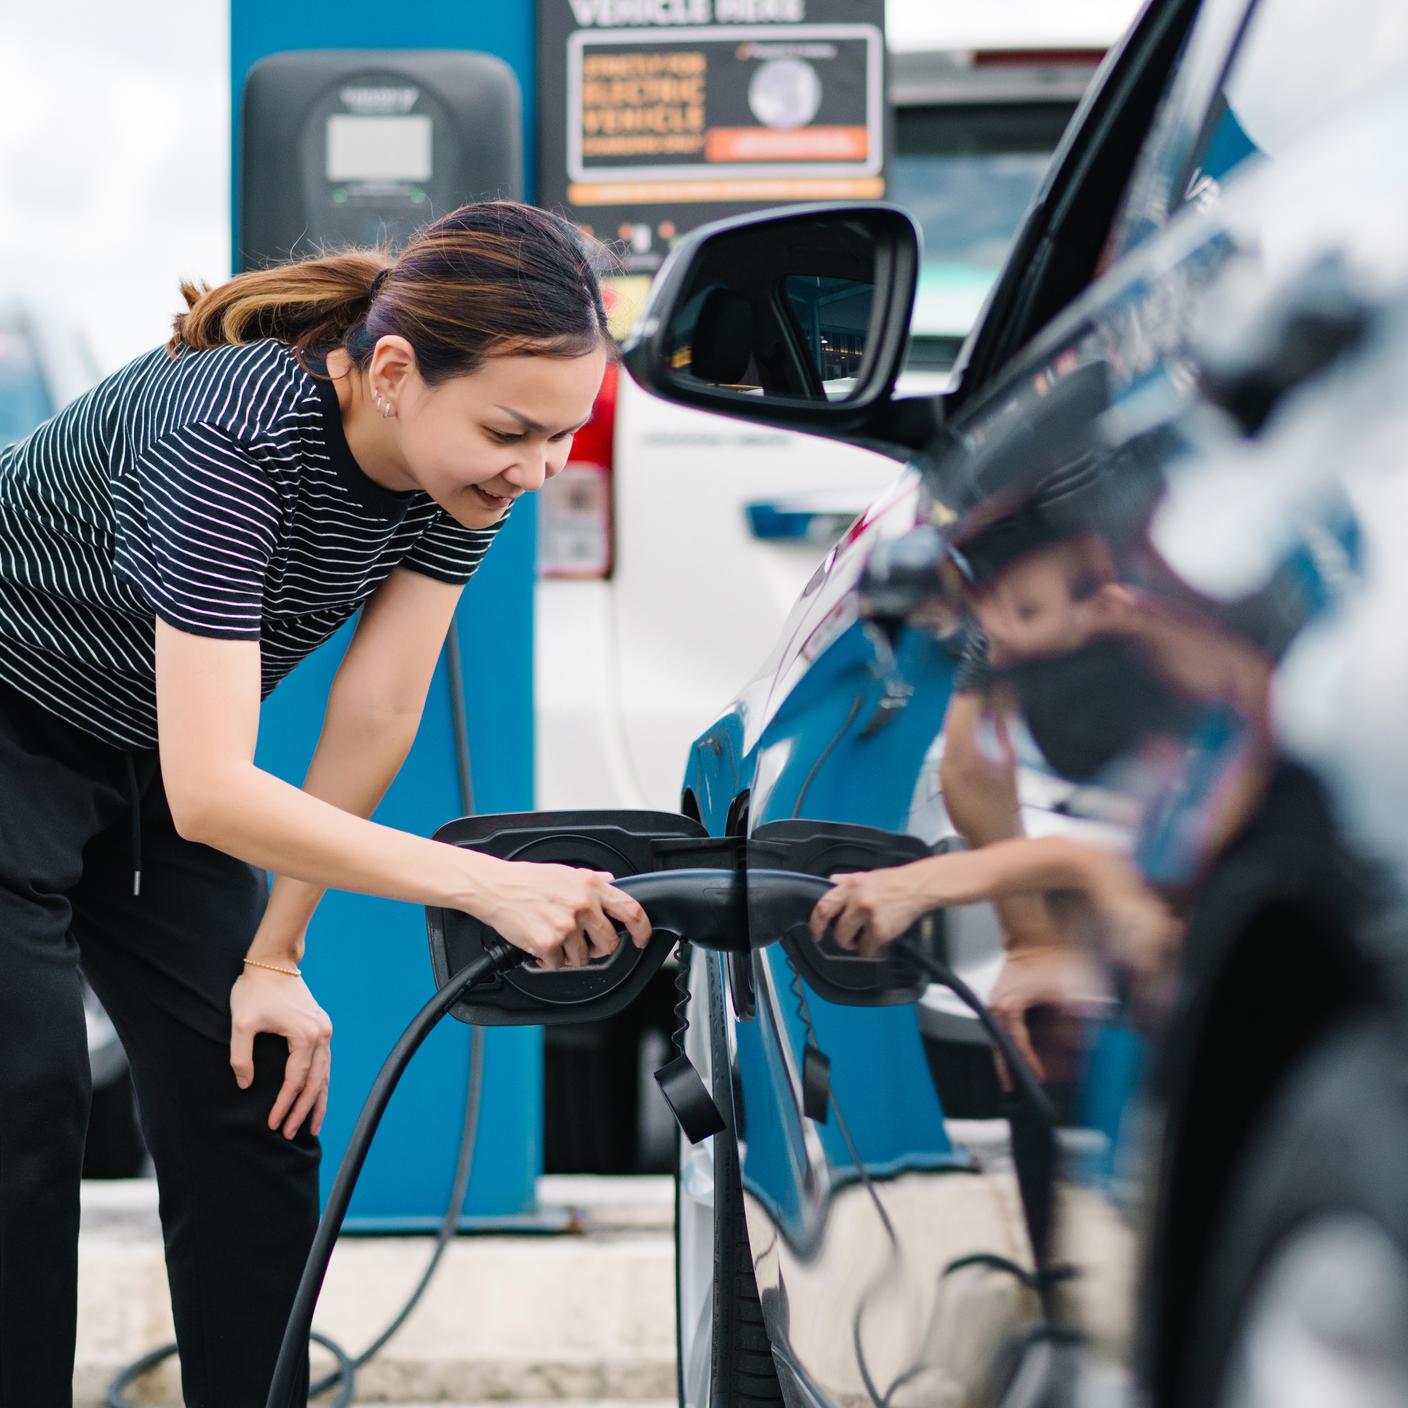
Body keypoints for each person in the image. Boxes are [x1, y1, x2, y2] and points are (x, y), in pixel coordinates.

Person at [0, 200, 651, 1408]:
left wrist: (277, 954)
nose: (537, 470)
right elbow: (214, 791)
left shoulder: (460, 484)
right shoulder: (231, 431)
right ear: (395, 372)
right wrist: (486, 882)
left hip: (138, 760)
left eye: (564, 437)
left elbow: (375, 714)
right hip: (11, 725)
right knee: (22, 1118)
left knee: (255, 1088)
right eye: (513, 431)